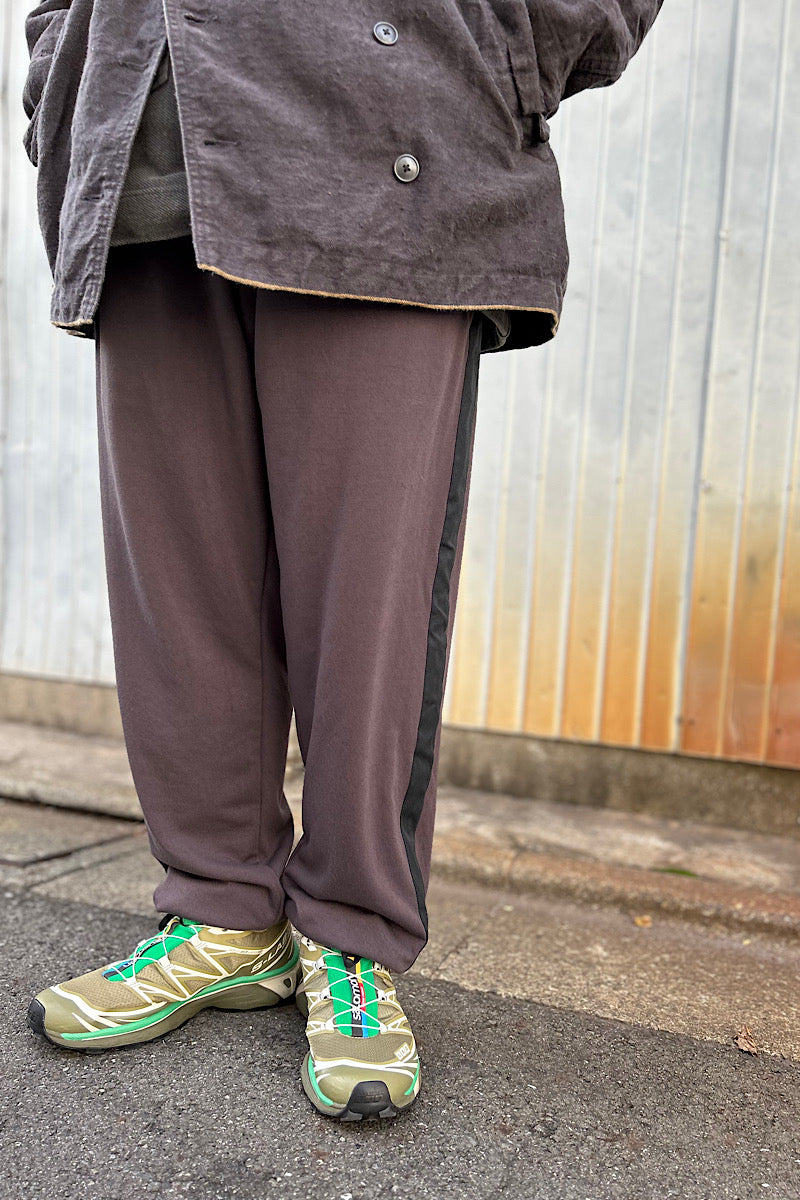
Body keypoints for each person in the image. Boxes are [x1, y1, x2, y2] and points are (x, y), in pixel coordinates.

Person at [20, 0, 664, 1121]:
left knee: (365, 601)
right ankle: (222, 909)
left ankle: (350, 932)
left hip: (377, 144)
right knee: (181, 595)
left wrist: (505, 47)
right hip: (141, 155)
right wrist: (61, 66)